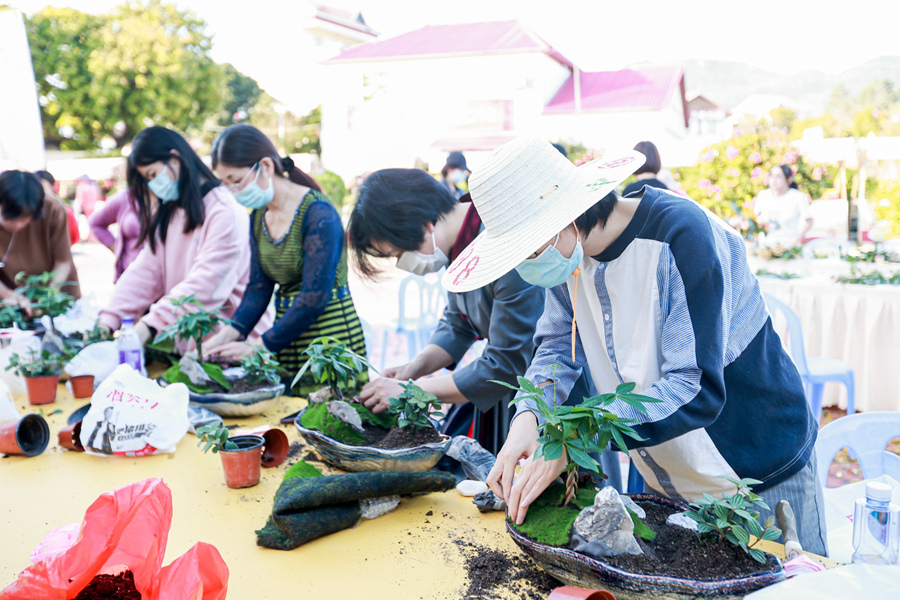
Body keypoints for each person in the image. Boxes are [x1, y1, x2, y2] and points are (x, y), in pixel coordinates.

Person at [443, 137, 827, 556]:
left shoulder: (681, 236)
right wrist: (529, 416)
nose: (525, 265)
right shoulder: (566, 258)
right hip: (665, 470)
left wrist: (571, 436)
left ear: (562, 218)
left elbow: (694, 388)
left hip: (755, 465)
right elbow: (556, 346)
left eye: (527, 248)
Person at [346, 168, 597, 458]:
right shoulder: (459, 248)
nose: (401, 264)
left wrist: (412, 391)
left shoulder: (500, 243)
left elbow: (506, 361)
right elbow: (457, 323)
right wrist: (413, 368)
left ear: (424, 224)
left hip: (550, 394)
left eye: (397, 255)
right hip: (506, 392)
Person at [202, 125, 366, 395]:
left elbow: (314, 297)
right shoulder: (258, 218)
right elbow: (258, 288)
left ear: (265, 166)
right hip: (286, 341)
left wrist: (259, 346)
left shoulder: (318, 213)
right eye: (226, 184)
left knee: (328, 419)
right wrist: (228, 334)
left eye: (236, 180)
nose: (233, 190)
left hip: (330, 341)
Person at [97, 126, 272, 353]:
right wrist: (107, 321)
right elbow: (143, 273)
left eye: (152, 174)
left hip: (235, 352)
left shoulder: (224, 211)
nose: (152, 185)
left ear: (175, 159)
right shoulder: (169, 214)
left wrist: (149, 326)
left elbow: (206, 286)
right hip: (194, 353)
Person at [0, 170, 81, 311]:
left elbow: (63, 262)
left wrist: (48, 296)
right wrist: (6, 294)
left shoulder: (53, 207)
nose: (17, 225)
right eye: (10, 218)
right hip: (8, 299)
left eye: (25, 217)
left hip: (55, 295)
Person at [88, 187, 149, 281]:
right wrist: (117, 249)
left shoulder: (171, 198)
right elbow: (95, 222)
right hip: (131, 274)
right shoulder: (126, 197)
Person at [753, 165, 813, 248]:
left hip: (789, 249)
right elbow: (756, 218)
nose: (774, 179)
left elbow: (809, 221)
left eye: (778, 176)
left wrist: (795, 241)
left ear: (789, 179)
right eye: (771, 176)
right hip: (766, 248)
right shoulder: (763, 195)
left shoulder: (798, 197)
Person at [35, 170, 80, 246]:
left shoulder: (63, 209)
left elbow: (73, 236)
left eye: (43, 188)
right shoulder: (28, 211)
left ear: (52, 186)